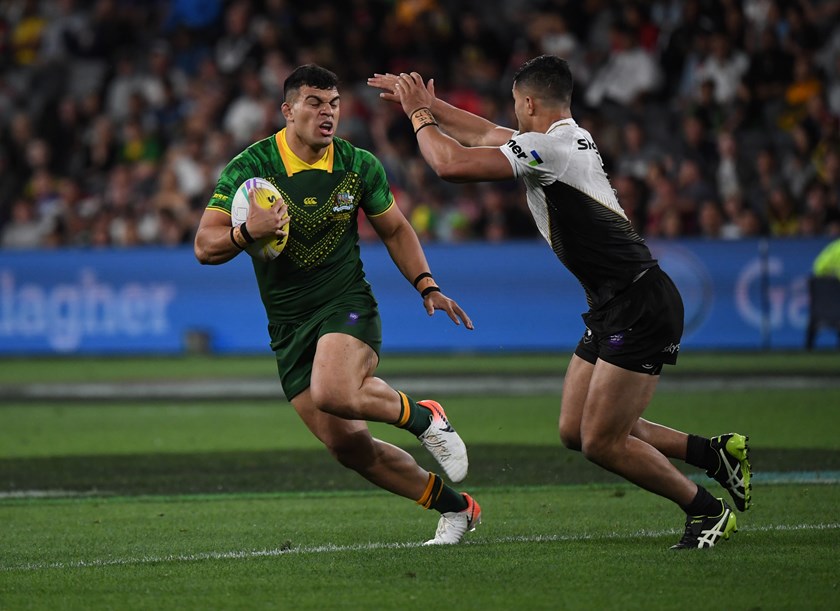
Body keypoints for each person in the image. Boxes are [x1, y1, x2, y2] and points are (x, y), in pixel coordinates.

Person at [368, 55, 752, 549]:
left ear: (527, 102)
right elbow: (485, 132)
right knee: (576, 428)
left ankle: (706, 510)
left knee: (603, 440)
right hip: (615, 303)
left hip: (638, 303)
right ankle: (712, 454)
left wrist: (421, 116)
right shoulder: (566, 139)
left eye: (515, 103)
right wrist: (425, 103)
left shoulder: (548, 149)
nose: (512, 111)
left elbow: (450, 164)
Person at [194, 64, 480, 545]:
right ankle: (459, 509)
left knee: (333, 391)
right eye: (314, 103)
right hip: (288, 326)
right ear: (288, 111)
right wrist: (248, 232)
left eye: (334, 104)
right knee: (348, 446)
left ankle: (424, 416)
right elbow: (205, 246)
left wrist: (427, 284)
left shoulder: (358, 165)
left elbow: (394, 228)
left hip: (346, 305)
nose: (327, 114)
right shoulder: (252, 167)